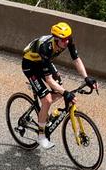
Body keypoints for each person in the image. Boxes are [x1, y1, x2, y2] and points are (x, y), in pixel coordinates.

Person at [20, 21, 93, 150]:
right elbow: (48, 79)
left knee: (60, 86)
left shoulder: (67, 40)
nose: (67, 42)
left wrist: (86, 78)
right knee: (48, 100)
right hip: (30, 65)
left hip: (44, 62)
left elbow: (76, 59)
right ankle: (41, 136)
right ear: (56, 39)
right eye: (63, 40)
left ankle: (43, 113)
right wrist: (66, 93)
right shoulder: (45, 48)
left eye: (68, 39)